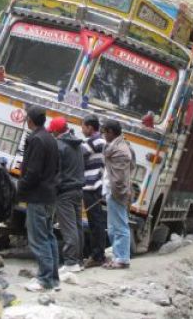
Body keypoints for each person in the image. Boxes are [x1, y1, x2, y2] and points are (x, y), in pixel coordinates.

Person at [18, 105, 60, 292]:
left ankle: (44, 280)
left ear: (31, 120)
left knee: (38, 238)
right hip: (50, 194)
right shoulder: (50, 138)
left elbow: (33, 171)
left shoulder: (36, 140)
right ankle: (53, 277)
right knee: (48, 235)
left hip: (38, 196)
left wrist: (20, 186)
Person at [47, 116, 85, 274]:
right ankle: (79, 260)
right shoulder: (77, 144)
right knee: (77, 226)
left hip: (65, 192)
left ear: (56, 131)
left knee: (68, 227)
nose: (52, 134)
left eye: (52, 132)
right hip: (77, 190)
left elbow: (56, 171)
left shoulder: (59, 146)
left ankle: (70, 262)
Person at [102, 119, 133, 270]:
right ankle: (117, 256)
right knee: (114, 226)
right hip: (114, 192)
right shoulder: (119, 146)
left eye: (104, 132)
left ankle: (122, 259)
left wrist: (116, 192)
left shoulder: (120, 150)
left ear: (111, 132)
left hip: (117, 193)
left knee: (120, 226)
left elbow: (119, 178)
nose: (103, 135)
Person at [80, 114, 107, 268]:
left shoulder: (94, 142)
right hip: (95, 186)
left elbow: (78, 156)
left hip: (92, 186)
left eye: (83, 126)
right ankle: (97, 254)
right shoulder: (101, 141)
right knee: (96, 222)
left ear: (90, 127)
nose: (82, 129)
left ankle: (97, 256)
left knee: (95, 222)